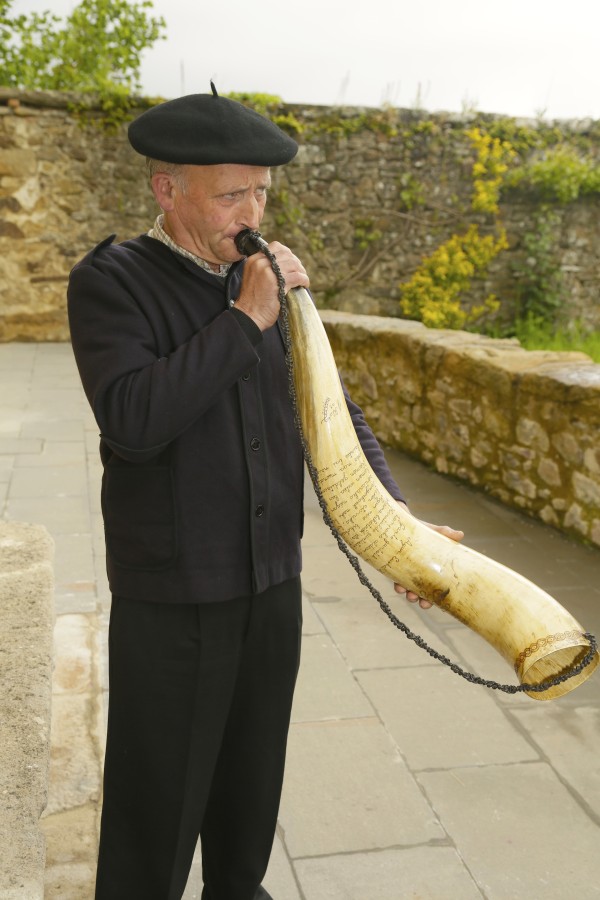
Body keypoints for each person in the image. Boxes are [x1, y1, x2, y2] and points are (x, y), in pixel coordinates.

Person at [68, 84, 462, 900]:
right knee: (154, 834)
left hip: (270, 591)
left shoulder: (264, 284)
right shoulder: (112, 281)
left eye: (260, 192)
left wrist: (398, 527)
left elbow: (331, 411)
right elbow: (134, 421)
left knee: (247, 826)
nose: (251, 211)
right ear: (167, 191)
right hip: (174, 603)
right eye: (230, 195)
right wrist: (245, 318)